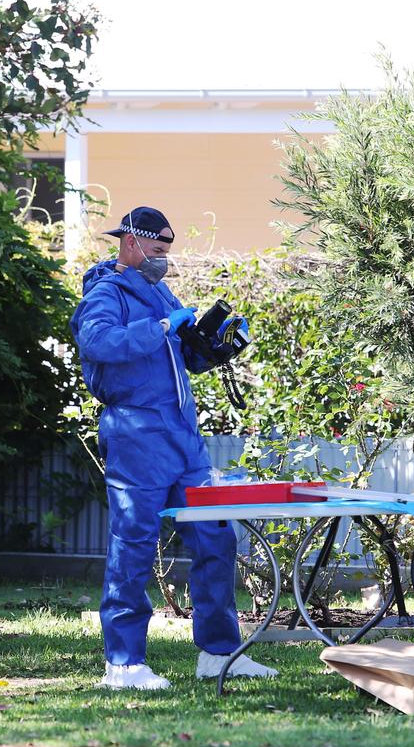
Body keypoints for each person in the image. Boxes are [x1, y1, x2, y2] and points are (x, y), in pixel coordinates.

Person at [70, 206, 278, 690]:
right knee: (134, 544)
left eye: (167, 251)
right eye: (157, 250)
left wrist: (215, 346)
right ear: (130, 243)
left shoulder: (161, 290)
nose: (164, 259)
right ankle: (123, 665)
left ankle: (218, 652)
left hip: (182, 435)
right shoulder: (105, 293)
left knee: (215, 536)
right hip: (136, 434)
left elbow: (179, 359)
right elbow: (99, 344)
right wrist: (162, 327)